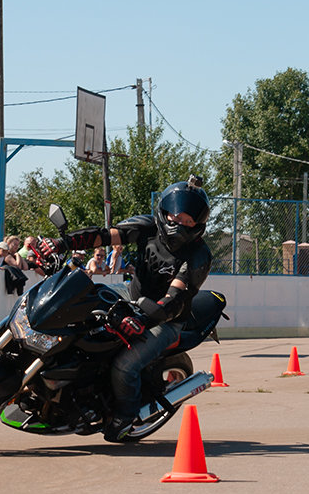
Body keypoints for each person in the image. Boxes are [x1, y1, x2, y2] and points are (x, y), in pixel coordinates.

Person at [35, 176, 212, 442]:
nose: (181, 224)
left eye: (189, 221)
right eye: (176, 217)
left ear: (198, 225)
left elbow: (174, 297)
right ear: (164, 214)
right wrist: (63, 244)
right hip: (130, 295)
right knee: (80, 308)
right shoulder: (147, 227)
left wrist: (142, 317)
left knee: (124, 365)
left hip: (166, 320)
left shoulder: (198, 255)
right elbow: (105, 236)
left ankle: (125, 417)